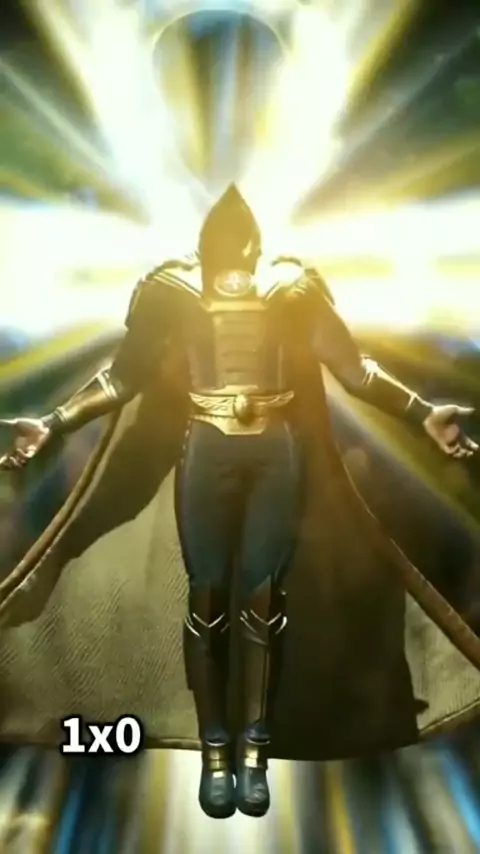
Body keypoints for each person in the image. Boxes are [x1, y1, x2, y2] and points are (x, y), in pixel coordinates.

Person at [0, 184, 476, 819]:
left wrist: (421, 413)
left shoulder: (292, 287)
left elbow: (354, 370)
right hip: (208, 451)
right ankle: (216, 756)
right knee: (208, 605)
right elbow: (124, 376)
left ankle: (253, 755)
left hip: (274, 453)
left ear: (254, 247)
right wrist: (54, 423)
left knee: (262, 604)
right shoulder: (172, 289)